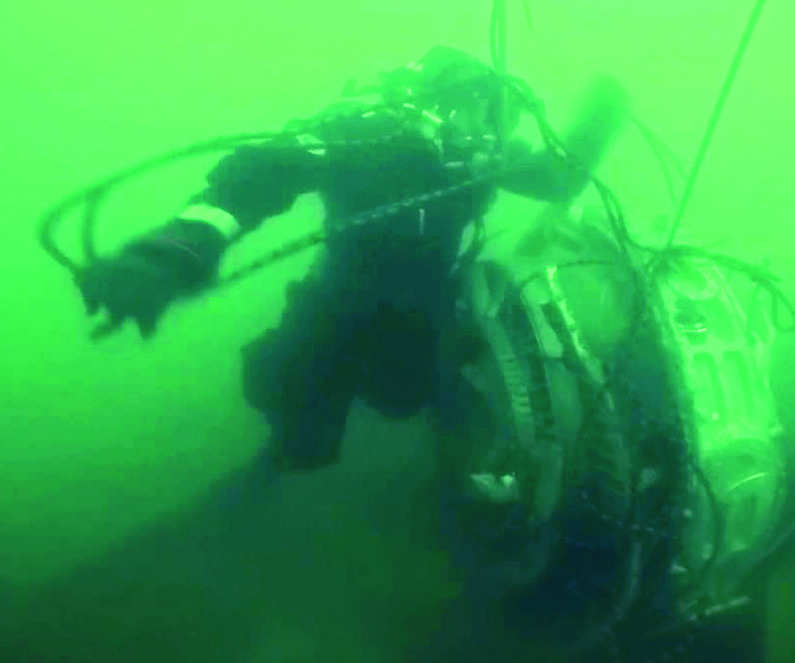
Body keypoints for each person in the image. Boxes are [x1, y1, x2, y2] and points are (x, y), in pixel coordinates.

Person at [73, 45, 629, 472]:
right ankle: (273, 455)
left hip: (428, 306)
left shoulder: (479, 158)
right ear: (439, 101)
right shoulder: (365, 134)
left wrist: (602, 113)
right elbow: (254, 179)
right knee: (300, 433)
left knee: (404, 397)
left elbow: (559, 176)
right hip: (342, 304)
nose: (495, 131)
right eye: (485, 111)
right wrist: (168, 258)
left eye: (504, 119)